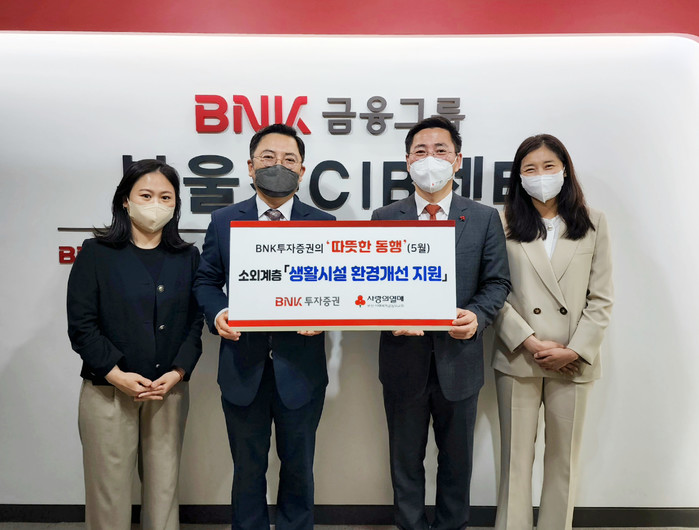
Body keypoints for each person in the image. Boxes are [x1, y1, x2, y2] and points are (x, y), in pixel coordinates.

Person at [371, 116, 511, 530]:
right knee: (404, 462)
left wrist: (478, 316)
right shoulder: (384, 217)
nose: (429, 159)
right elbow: (370, 283)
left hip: (460, 360)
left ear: (458, 160)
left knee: (457, 462)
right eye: (420, 151)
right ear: (407, 162)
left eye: (440, 150)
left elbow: (497, 281)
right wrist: (390, 314)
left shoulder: (483, 218)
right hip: (403, 359)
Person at [194, 123, 335, 530]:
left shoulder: (324, 223)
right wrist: (218, 314)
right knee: (247, 469)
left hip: (301, 370)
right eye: (268, 157)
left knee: (299, 468)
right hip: (242, 366)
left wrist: (324, 314)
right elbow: (206, 281)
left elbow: (338, 286)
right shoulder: (224, 220)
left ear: (302, 170)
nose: (279, 165)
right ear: (250, 166)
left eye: (289, 159)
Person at [67, 159, 203, 530]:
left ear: (176, 204)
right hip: (108, 391)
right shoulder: (96, 253)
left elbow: (195, 322)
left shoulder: (187, 257)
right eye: (146, 195)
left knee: (164, 491)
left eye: (166, 197)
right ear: (125, 200)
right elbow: (82, 326)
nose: (156, 203)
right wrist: (115, 374)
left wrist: (179, 371)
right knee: (108, 493)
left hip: (167, 391)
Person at [492, 134, 613, 530]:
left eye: (548, 166)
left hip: (573, 359)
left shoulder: (594, 222)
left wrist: (574, 350)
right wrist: (526, 340)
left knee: (564, 461)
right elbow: (493, 291)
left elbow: (601, 297)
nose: (540, 175)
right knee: (515, 461)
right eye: (529, 169)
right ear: (518, 177)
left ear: (565, 170)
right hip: (518, 354)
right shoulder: (501, 222)